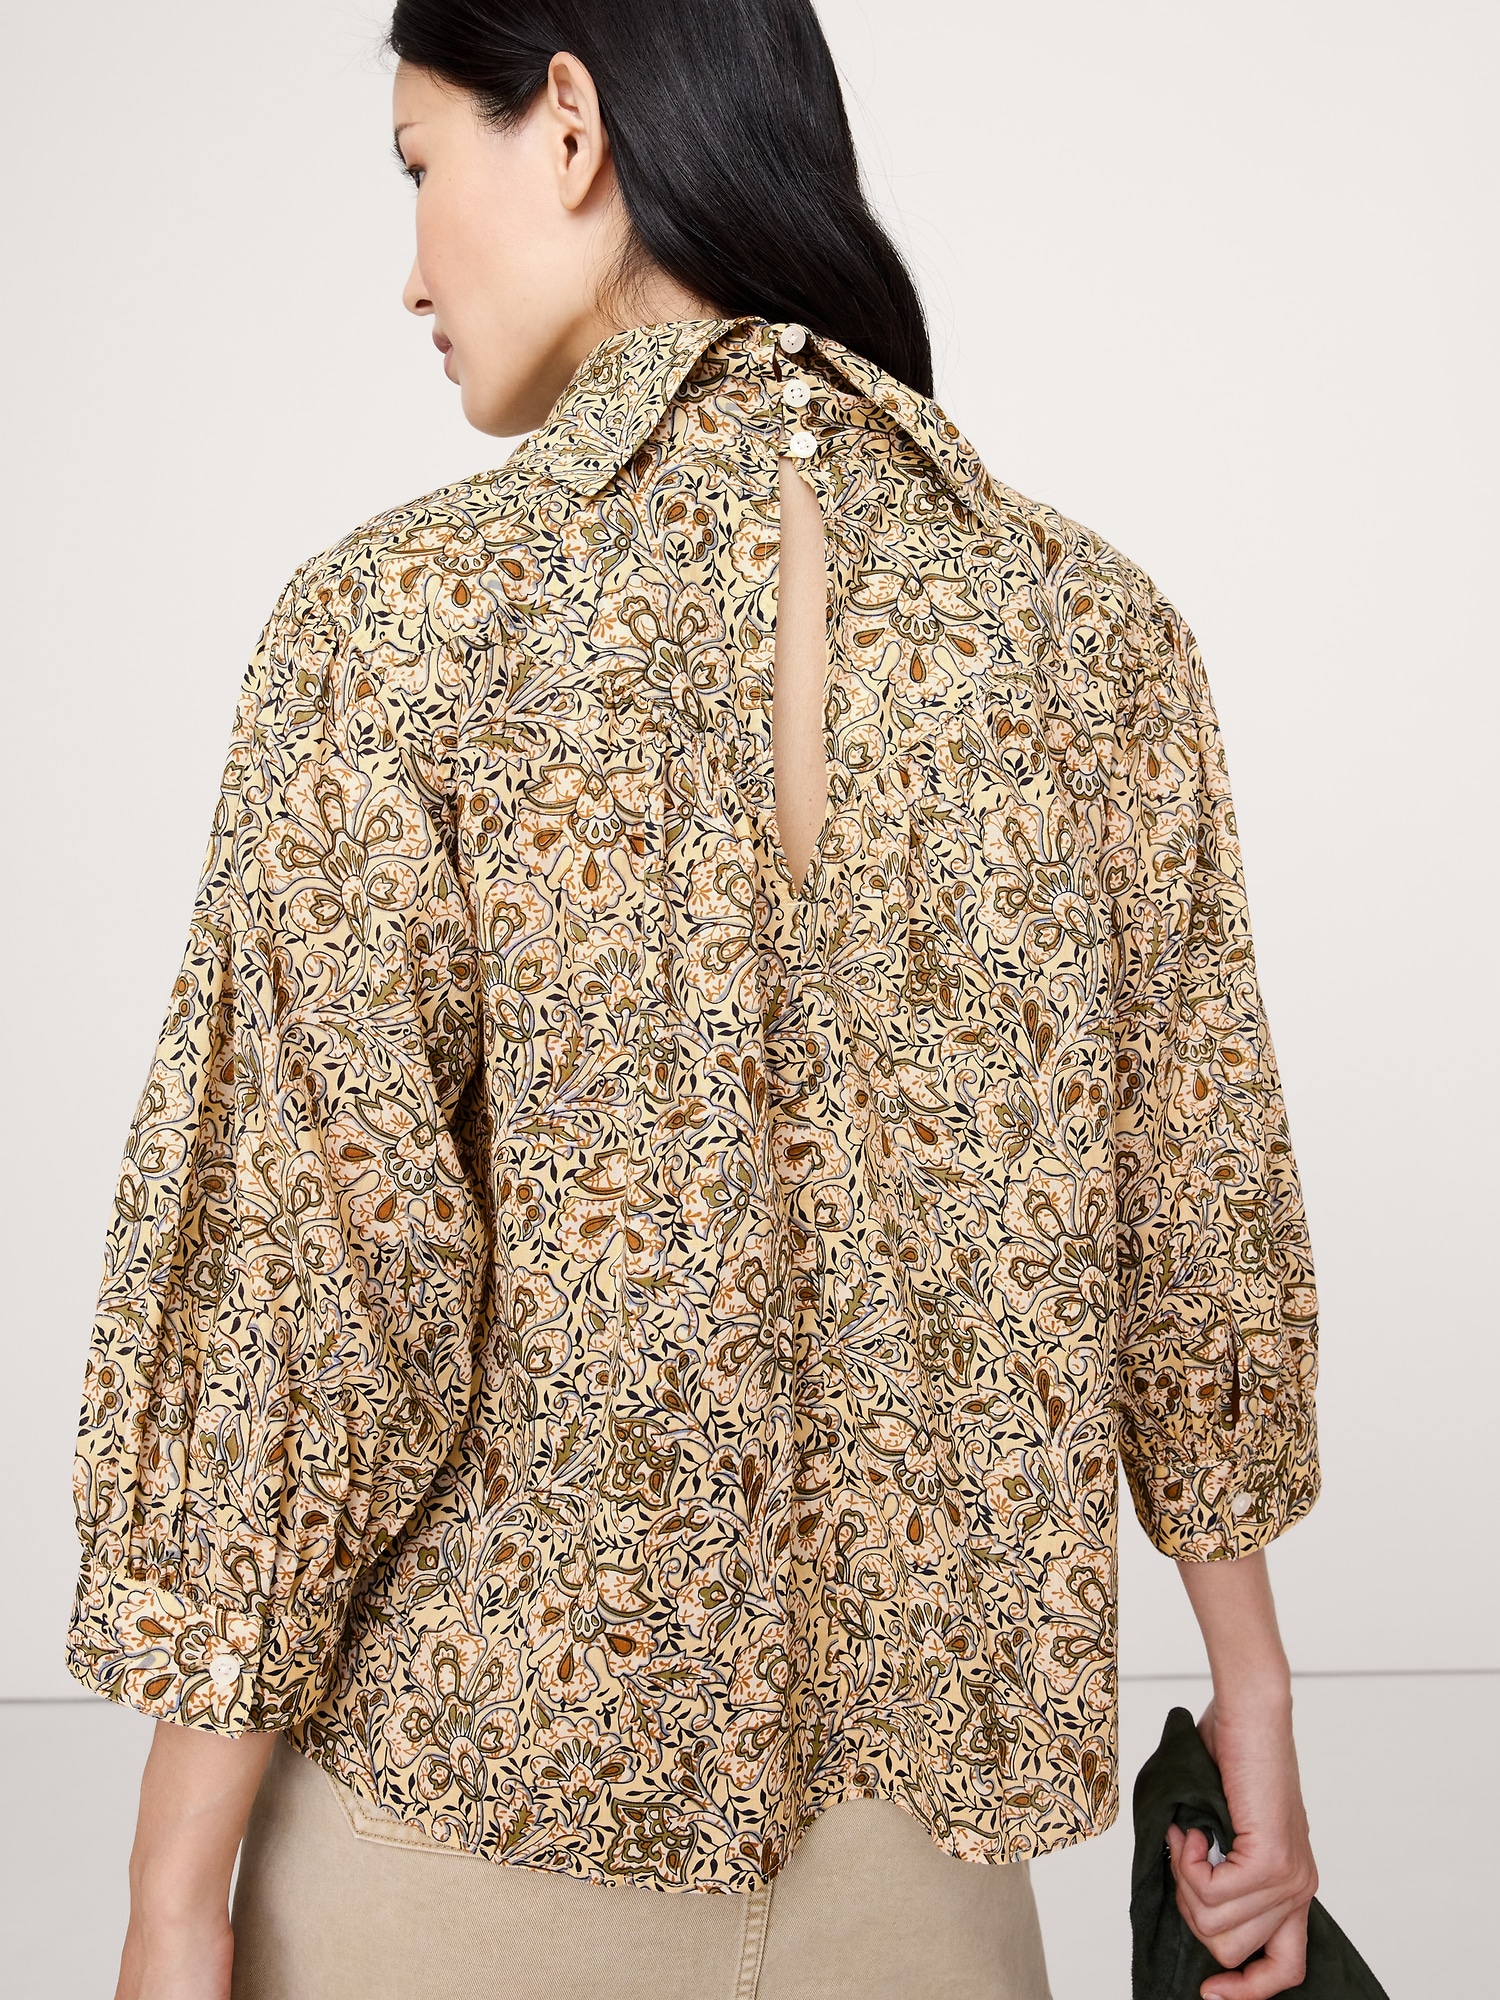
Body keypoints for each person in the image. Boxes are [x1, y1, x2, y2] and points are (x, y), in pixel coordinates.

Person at [67, 4, 1323, 1997]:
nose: (411, 269)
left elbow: (312, 1298)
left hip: (459, 1848)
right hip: (924, 1888)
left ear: (568, 126)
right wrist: (1253, 1697)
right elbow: (1191, 1226)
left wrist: (168, 1888)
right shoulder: (1095, 634)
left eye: (419, 164)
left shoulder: (399, 629)